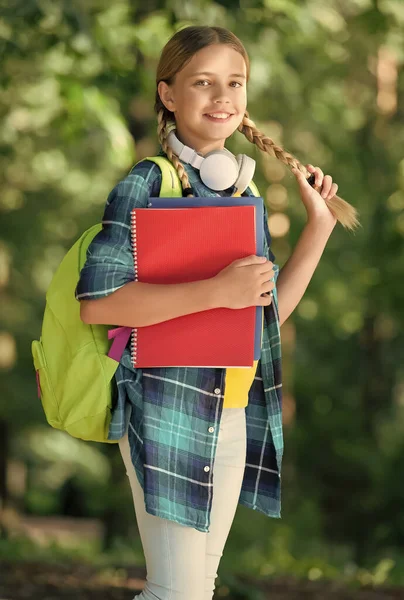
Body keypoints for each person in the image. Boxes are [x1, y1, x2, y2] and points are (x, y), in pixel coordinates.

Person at [75, 25, 357, 600]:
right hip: (164, 408)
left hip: (229, 414)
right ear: (168, 94)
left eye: (235, 82)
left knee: (192, 592)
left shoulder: (241, 196)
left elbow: (260, 323)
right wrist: (214, 291)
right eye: (203, 83)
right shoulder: (145, 183)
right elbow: (96, 305)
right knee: (175, 593)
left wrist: (318, 229)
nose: (222, 96)